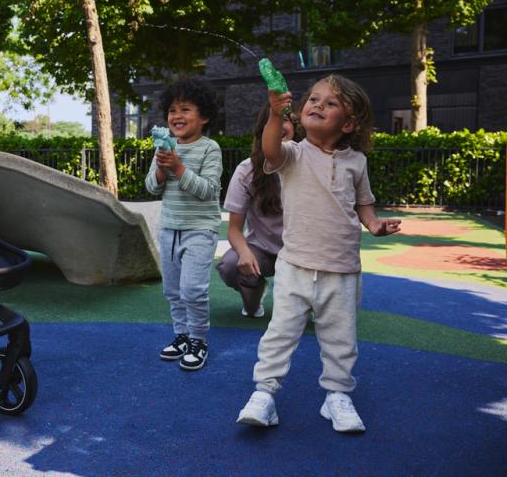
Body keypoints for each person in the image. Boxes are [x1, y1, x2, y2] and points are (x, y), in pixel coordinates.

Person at [236, 74, 401, 432]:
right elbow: (270, 149)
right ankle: (265, 393)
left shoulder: (357, 162)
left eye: (331, 103)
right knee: (280, 333)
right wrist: (275, 113)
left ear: (349, 123)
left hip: (342, 270)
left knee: (341, 338)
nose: (318, 105)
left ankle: (337, 396)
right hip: (295, 265)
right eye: (313, 99)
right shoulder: (293, 154)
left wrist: (374, 225)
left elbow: (364, 204)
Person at [145, 77, 222, 371]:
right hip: (169, 228)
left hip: (200, 230)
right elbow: (151, 187)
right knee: (173, 290)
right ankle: (182, 336)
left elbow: (208, 190)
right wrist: (161, 170)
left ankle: (198, 340)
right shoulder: (164, 148)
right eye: (172, 110)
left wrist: (178, 167)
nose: (177, 116)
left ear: (204, 117)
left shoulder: (210, 148)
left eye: (186, 109)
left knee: (192, 290)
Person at [216, 103, 296, 318]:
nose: (279, 126)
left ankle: (313, 299)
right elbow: (234, 229)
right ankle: (255, 293)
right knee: (230, 265)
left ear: (296, 127)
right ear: (262, 131)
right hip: (264, 252)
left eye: (284, 120)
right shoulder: (247, 170)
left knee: (309, 313)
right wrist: (244, 253)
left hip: (302, 252)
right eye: (272, 121)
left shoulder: (306, 163)